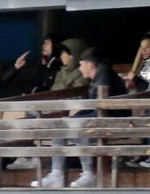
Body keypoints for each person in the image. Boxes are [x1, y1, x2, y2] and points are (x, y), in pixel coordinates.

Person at [31, 48, 122, 189]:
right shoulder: (97, 78)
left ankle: (88, 174)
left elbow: (102, 109)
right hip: (101, 117)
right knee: (60, 125)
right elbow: (91, 107)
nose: (79, 68)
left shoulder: (104, 77)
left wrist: (75, 119)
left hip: (114, 120)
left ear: (90, 65)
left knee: (77, 125)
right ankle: (57, 174)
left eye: (81, 64)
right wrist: (72, 117)